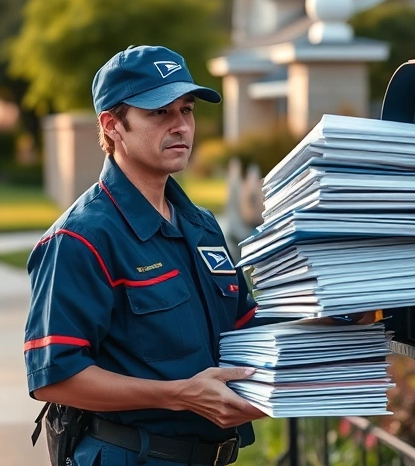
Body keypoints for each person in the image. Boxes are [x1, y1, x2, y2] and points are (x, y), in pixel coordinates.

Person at [23, 45, 266, 466]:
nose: (181, 127)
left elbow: (244, 326)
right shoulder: (80, 238)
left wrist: (335, 311)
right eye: (159, 113)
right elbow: (55, 377)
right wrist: (179, 396)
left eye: (186, 110)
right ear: (112, 125)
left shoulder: (202, 225)